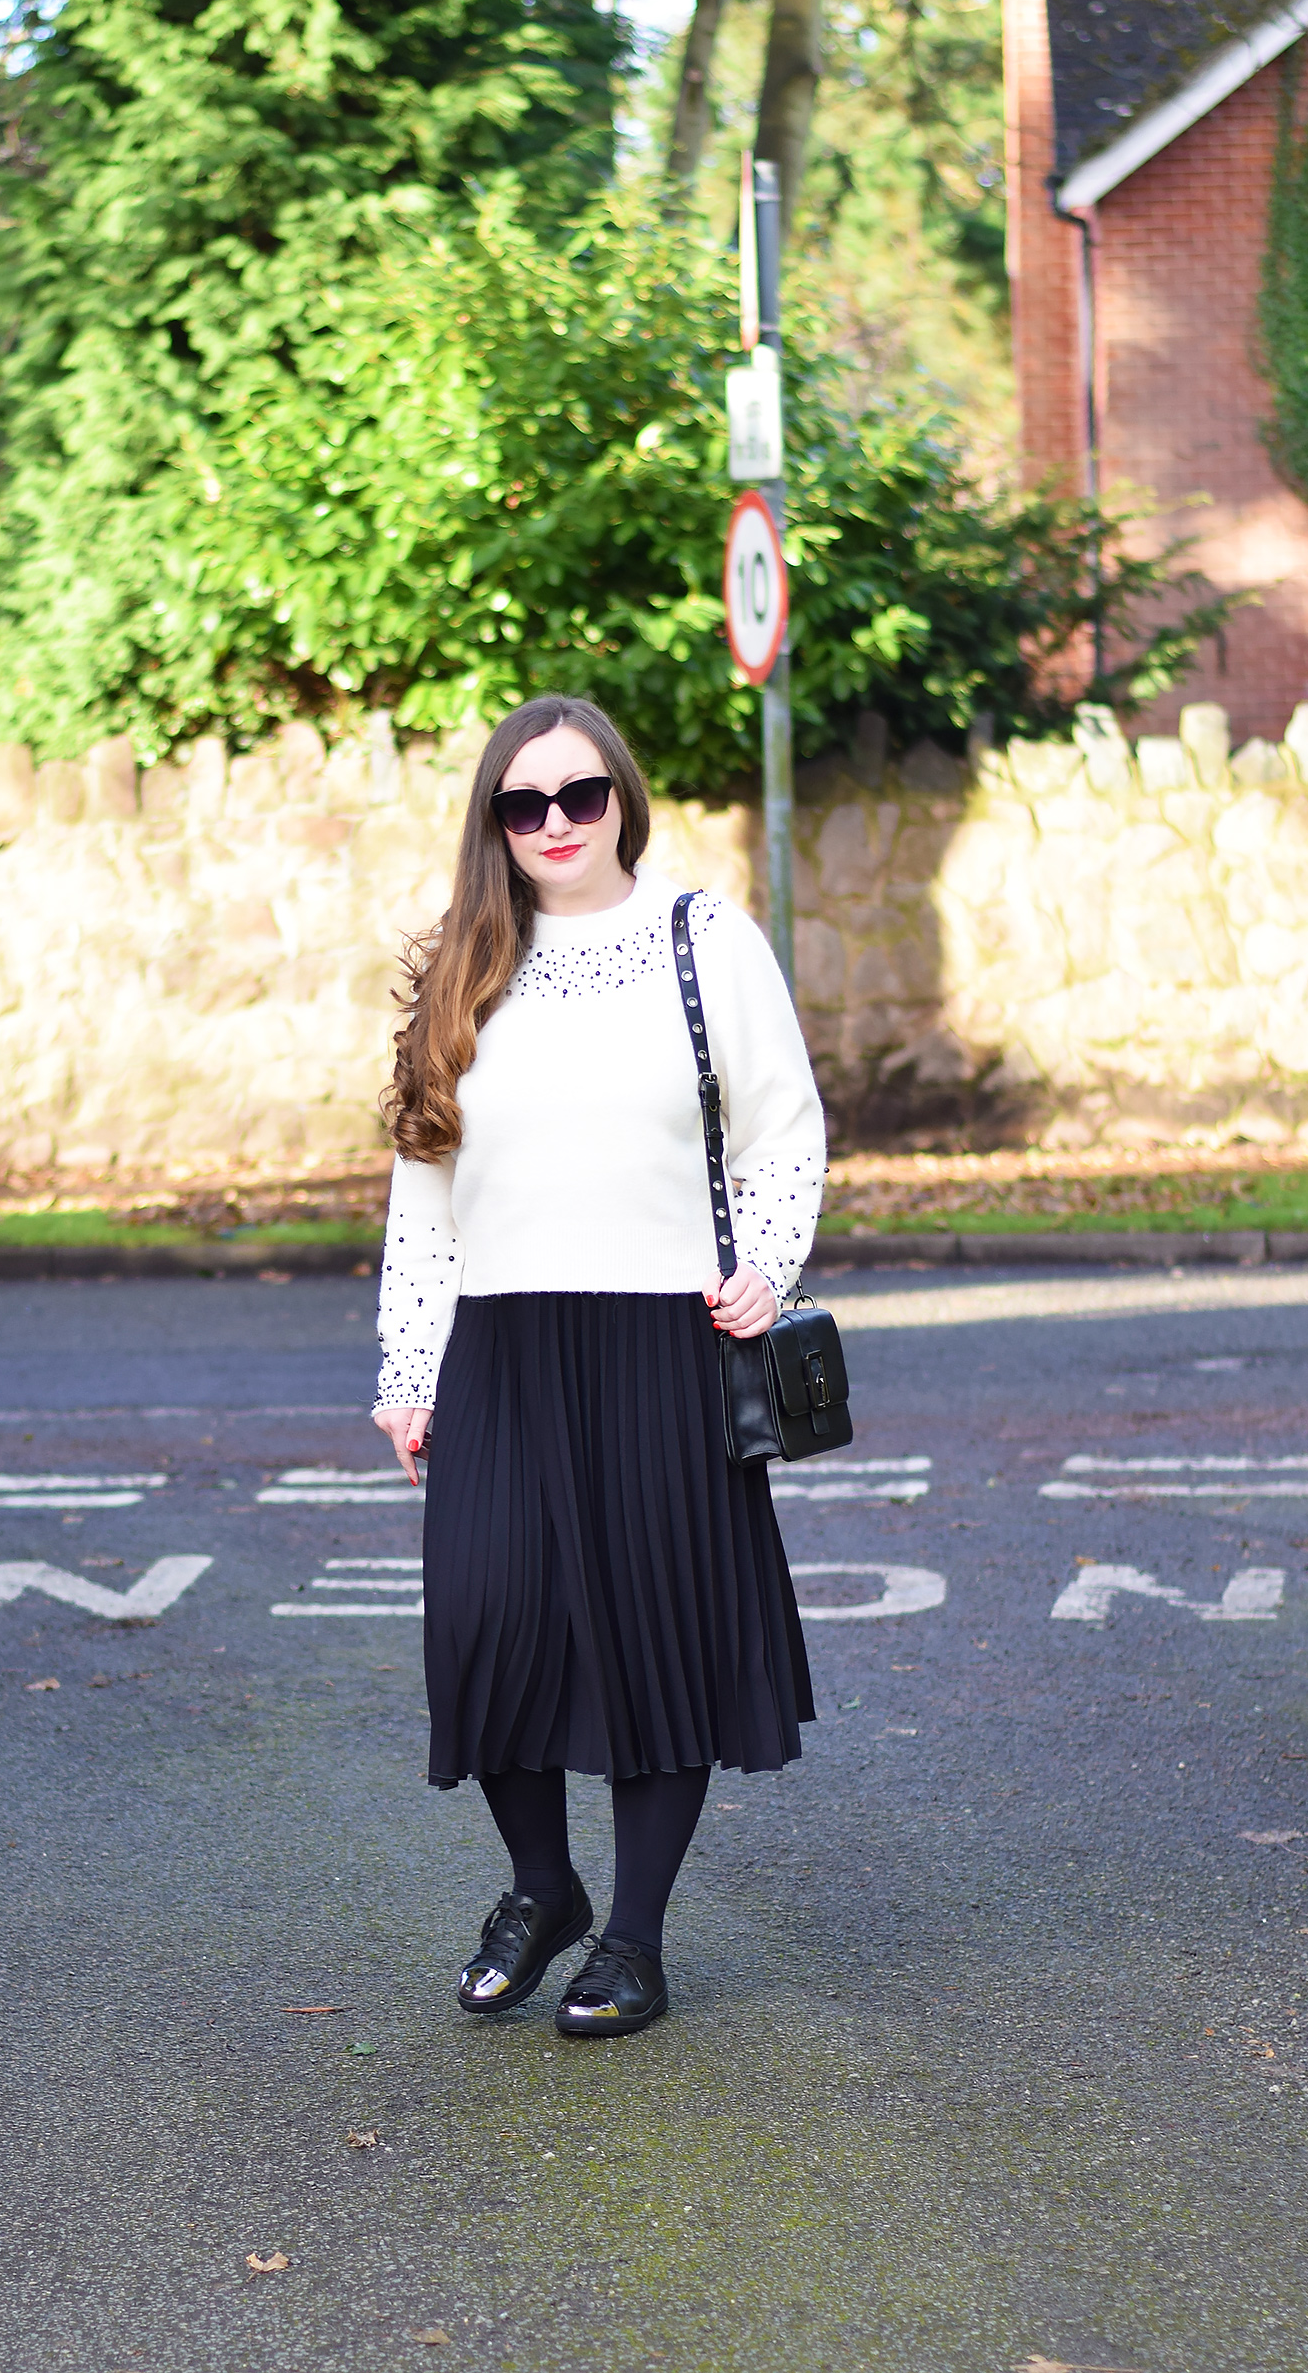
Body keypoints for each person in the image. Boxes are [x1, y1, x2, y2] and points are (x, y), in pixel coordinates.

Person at [371, 692, 825, 2037]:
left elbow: (784, 1130)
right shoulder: (469, 961)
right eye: (525, 805)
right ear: (495, 824)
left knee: (653, 1638)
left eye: (581, 796)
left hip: (665, 1334)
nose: (556, 823)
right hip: (500, 1340)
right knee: (491, 1621)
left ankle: (632, 1938)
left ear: (622, 797)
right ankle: (541, 1888)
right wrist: (410, 1364)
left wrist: (770, 1267)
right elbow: (421, 1189)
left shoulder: (704, 941)